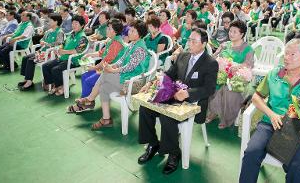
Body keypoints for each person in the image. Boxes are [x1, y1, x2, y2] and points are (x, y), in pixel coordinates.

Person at [239, 38, 300, 183]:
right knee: (251, 153)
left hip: (297, 129)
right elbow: (256, 97)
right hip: (269, 124)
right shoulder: (274, 74)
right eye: (286, 53)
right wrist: (271, 114)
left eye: (292, 55)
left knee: (295, 167)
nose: (286, 57)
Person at [137, 28, 219, 175]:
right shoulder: (183, 56)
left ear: (203, 44)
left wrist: (188, 93)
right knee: (145, 108)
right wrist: (152, 82)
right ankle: (153, 144)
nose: (190, 43)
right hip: (174, 95)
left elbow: (209, 89)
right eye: (189, 40)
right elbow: (168, 75)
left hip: (193, 102)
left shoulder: (210, 63)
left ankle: (174, 153)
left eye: (194, 41)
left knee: (167, 116)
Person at [88, 20, 150, 129]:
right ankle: (106, 119)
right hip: (126, 77)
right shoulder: (132, 44)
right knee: (103, 87)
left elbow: (130, 66)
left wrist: (113, 70)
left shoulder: (140, 48)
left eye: (132, 31)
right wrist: (113, 66)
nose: (129, 32)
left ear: (139, 34)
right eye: (130, 30)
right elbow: (121, 60)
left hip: (135, 83)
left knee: (105, 74)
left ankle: (89, 100)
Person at [67, 18, 127, 113]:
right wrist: (89, 54)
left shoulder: (117, 43)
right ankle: (88, 101)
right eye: (107, 28)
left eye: (109, 28)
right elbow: (101, 53)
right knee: (84, 76)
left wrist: (93, 67)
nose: (106, 30)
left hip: (111, 73)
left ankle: (85, 104)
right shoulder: (111, 40)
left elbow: (105, 61)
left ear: (115, 32)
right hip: (105, 69)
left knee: (88, 80)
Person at [207, 20, 254, 128]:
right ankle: (213, 112)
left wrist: (237, 67)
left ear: (242, 34)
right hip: (221, 75)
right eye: (230, 31)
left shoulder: (248, 49)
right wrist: (218, 52)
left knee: (228, 90)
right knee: (210, 83)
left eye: (234, 32)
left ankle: (226, 118)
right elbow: (214, 58)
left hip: (236, 79)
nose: (231, 34)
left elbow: (249, 65)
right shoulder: (225, 45)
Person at [42, 15, 88, 96]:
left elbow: (77, 51)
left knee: (55, 69)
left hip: (74, 61)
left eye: (76, 23)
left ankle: (62, 87)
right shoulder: (71, 34)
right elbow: (63, 44)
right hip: (63, 58)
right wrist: (58, 49)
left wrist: (64, 52)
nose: (73, 25)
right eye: (73, 23)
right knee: (45, 66)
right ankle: (55, 84)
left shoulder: (83, 37)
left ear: (82, 25)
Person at [18, 14, 65, 91]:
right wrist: (42, 41)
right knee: (25, 58)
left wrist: (47, 44)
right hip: (42, 51)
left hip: (51, 54)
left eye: (51, 20)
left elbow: (59, 43)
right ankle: (26, 78)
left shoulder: (59, 32)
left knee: (31, 60)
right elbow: (41, 39)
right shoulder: (48, 31)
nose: (49, 22)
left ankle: (29, 82)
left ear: (56, 22)